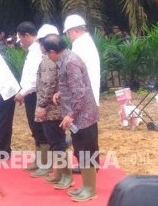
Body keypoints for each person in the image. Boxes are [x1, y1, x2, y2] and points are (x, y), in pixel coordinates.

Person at [43, 34, 99, 202]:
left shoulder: (70, 62)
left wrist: (70, 115)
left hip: (83, 117)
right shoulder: (67, 59)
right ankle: (86, 186)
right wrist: (62, 92)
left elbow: (80, 92)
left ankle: (90, 189)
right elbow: (74, 85)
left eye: (47, 53)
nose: (47, 56)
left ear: (53, 51)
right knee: (81, 151)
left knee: (86, 152)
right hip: (80, 116)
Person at [62, 14, 100, 173]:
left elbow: (74, 74)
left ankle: (88, 166)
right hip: (86, 93)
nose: (68, 36)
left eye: (68, 33)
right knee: (87, 133)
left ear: (75, 31)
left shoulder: (80, 45)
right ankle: (91, 164)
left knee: (83, 134)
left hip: (82, 94)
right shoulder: (84, 42)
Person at [34, 25, 71, 188]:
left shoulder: (49, 59)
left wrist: (41, 105)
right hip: (54, 107)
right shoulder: (52, 57)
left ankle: (66, 176)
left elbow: (48, 84)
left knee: (56, 143)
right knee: (56, 142)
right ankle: (59, 173)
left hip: (51, 109)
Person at [14, 22, 49, 172]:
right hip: (30, 94)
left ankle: (45, 163)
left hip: (35, 94)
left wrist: (22, 92)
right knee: (35, 128)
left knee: (40, 128)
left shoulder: (36, 51)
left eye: (21, 39)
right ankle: (40, 160)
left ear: (27, 35)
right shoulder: (32, 50)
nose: (21, 43)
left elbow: (36, 78)